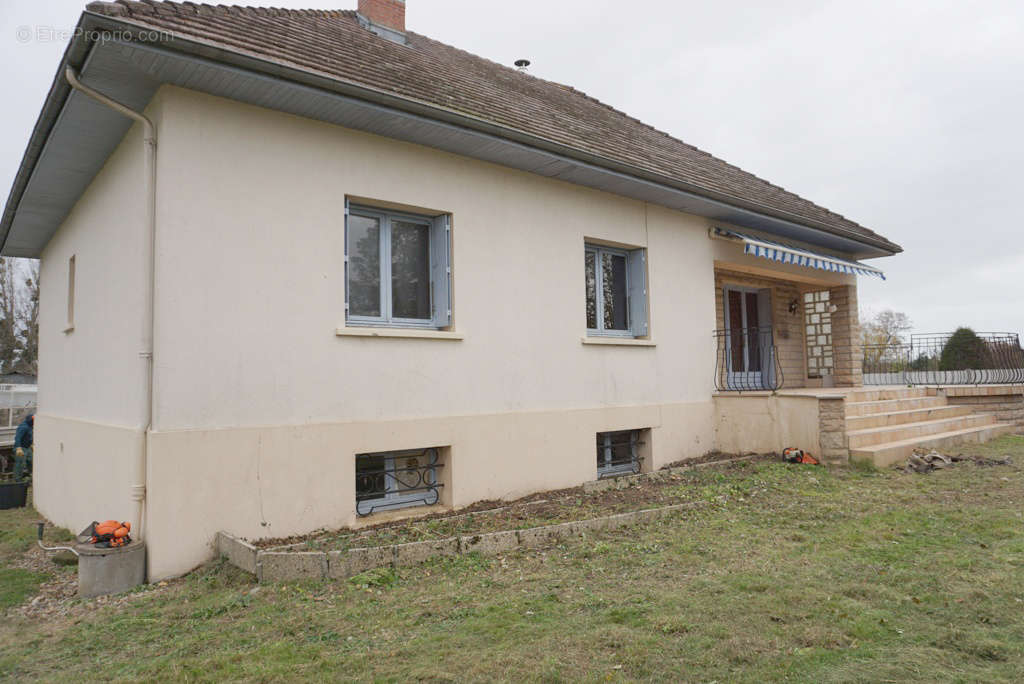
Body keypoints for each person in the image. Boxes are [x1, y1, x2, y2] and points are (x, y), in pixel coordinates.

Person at [14, 414, 33, 482]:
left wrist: (31, 445)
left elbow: (29, 437)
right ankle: (18, 480)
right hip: (21, 448)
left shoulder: (30, 426)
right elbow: (17, 437)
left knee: (31, 462)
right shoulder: (23, 427)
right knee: (20, 463)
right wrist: (18, 448)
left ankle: (32, 476)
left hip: (27, 448)